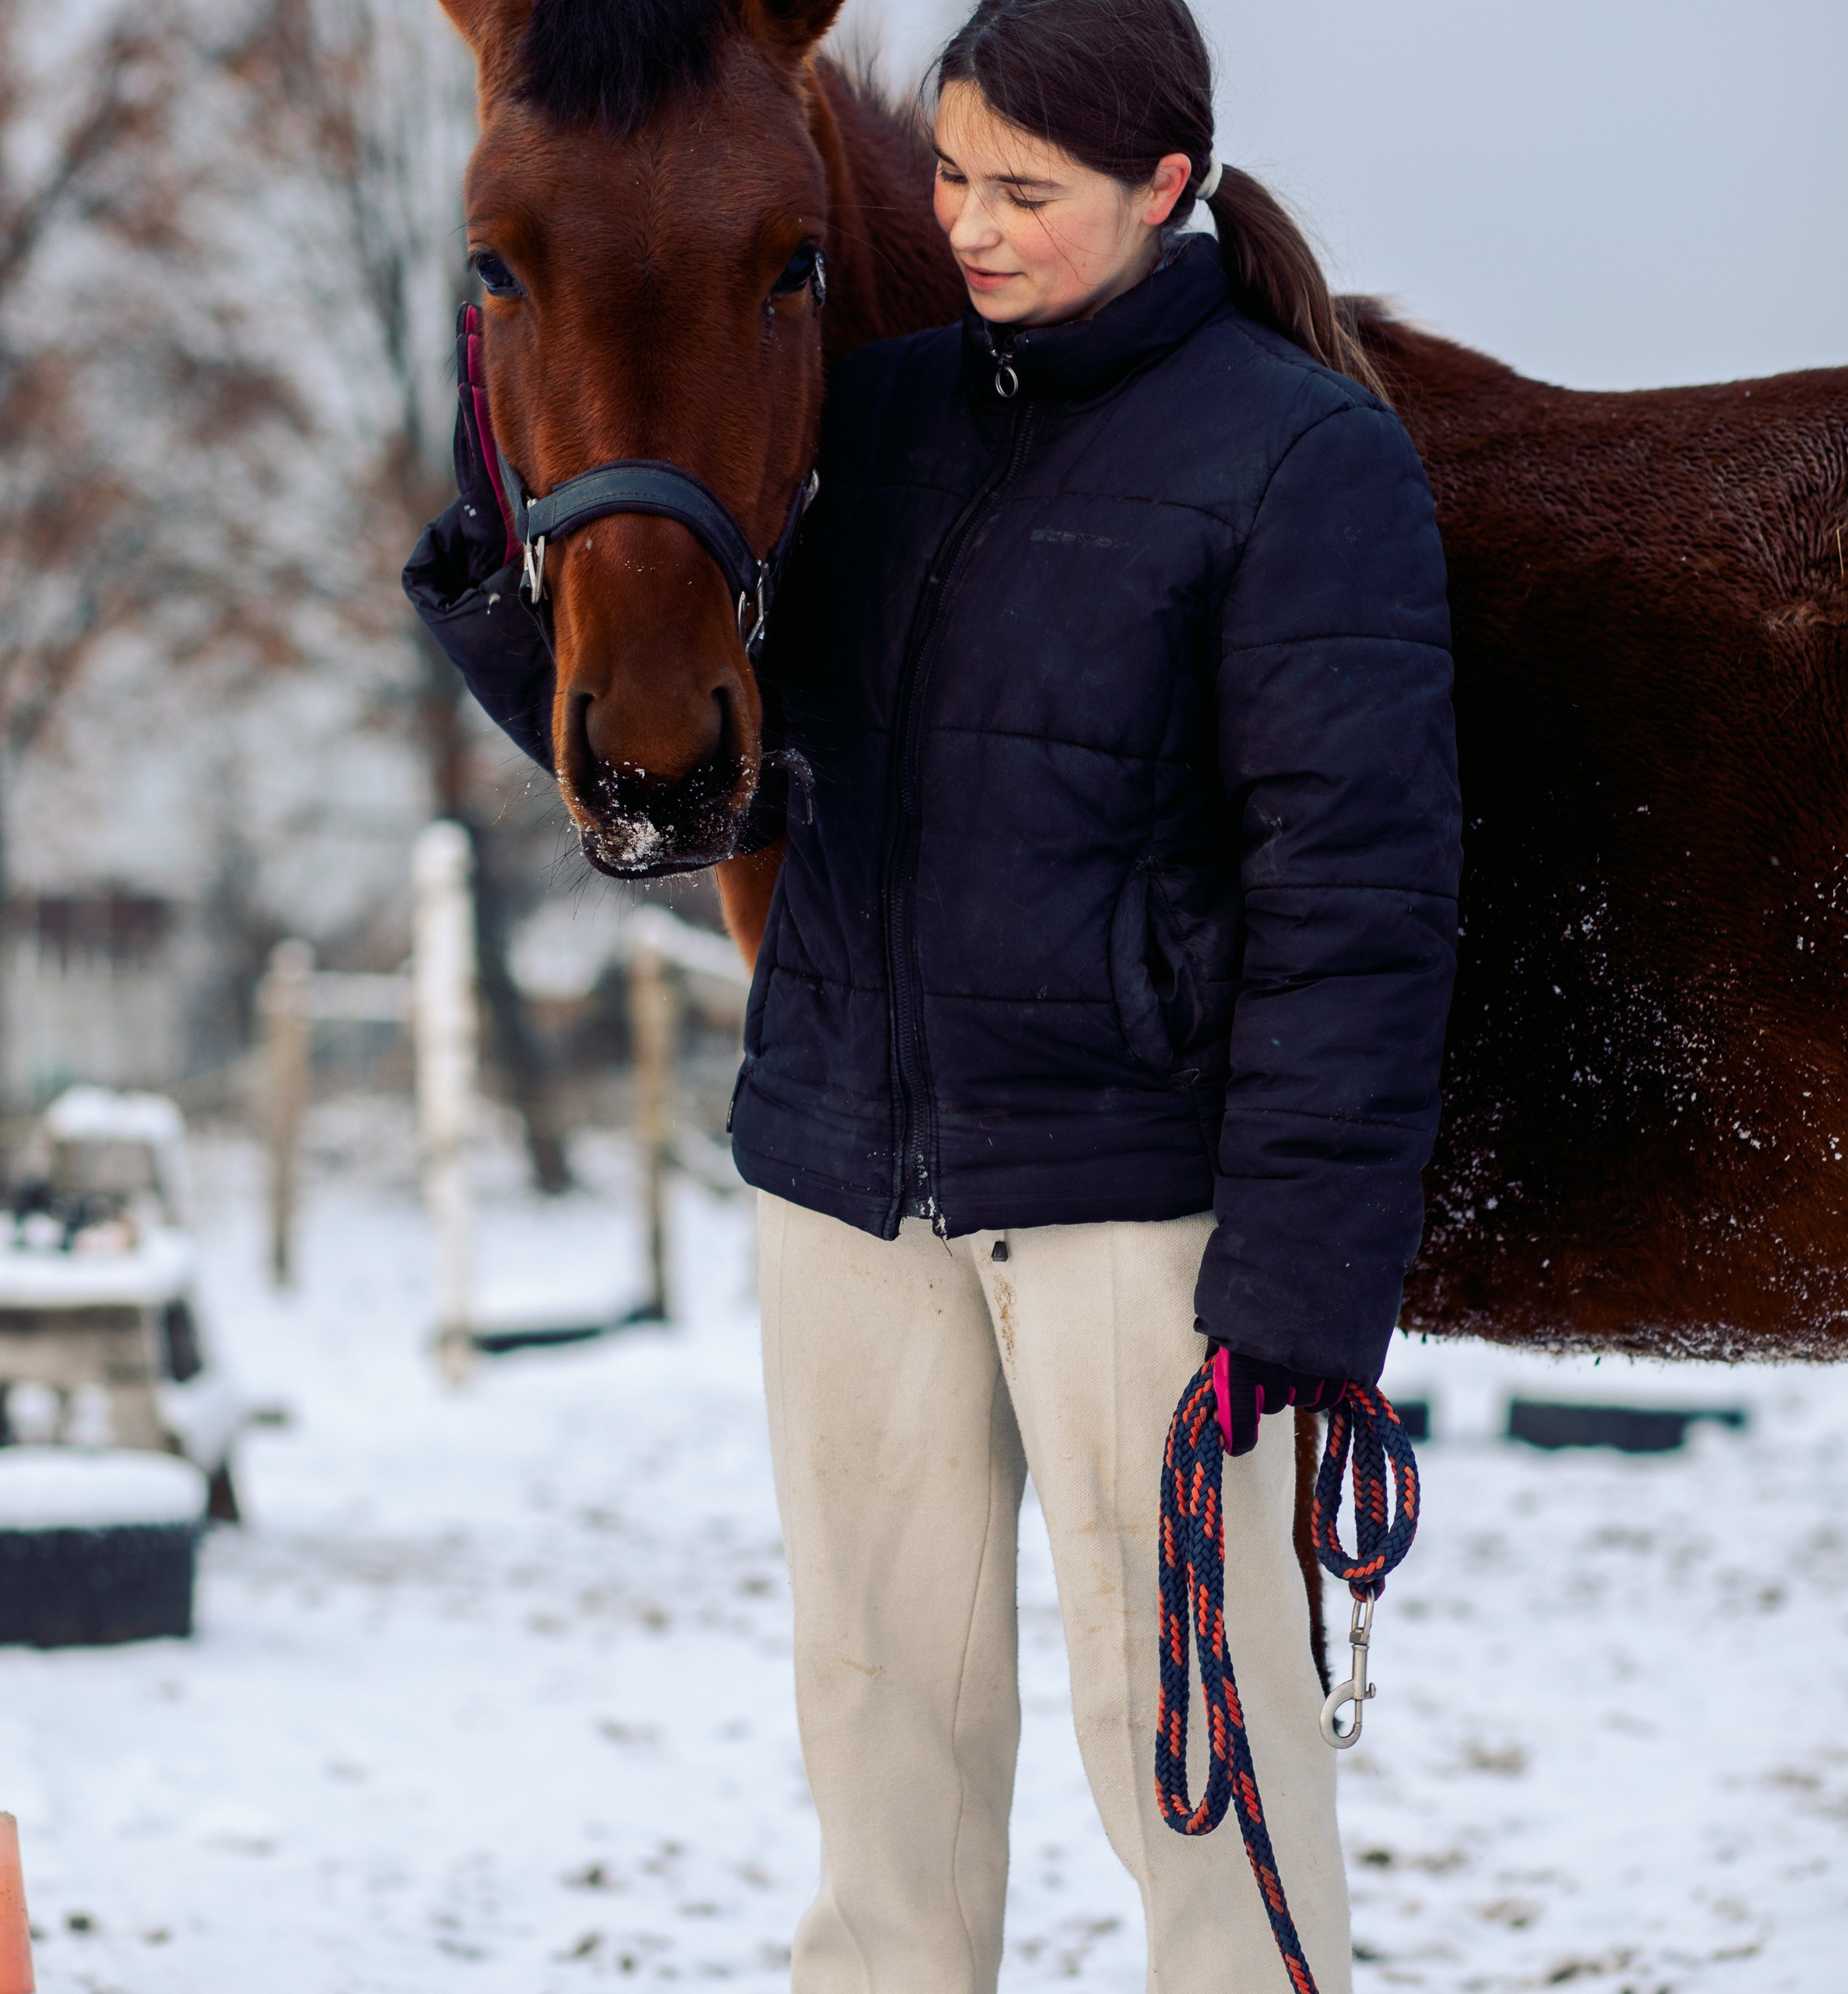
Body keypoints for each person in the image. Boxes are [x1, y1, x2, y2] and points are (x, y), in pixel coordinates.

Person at [733, 2, 1458, 1988]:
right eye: (951, 173)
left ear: (1165, 188)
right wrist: (494, 595)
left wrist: (1301, 1290)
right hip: (845, 1184)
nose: (966, 224)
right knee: (877, 1731)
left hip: (1130, 1210)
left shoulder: (1299, 456)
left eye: (1025, 191)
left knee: (1195, 1750)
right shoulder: (872, 419)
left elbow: (1360, 896)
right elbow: (719, 760)